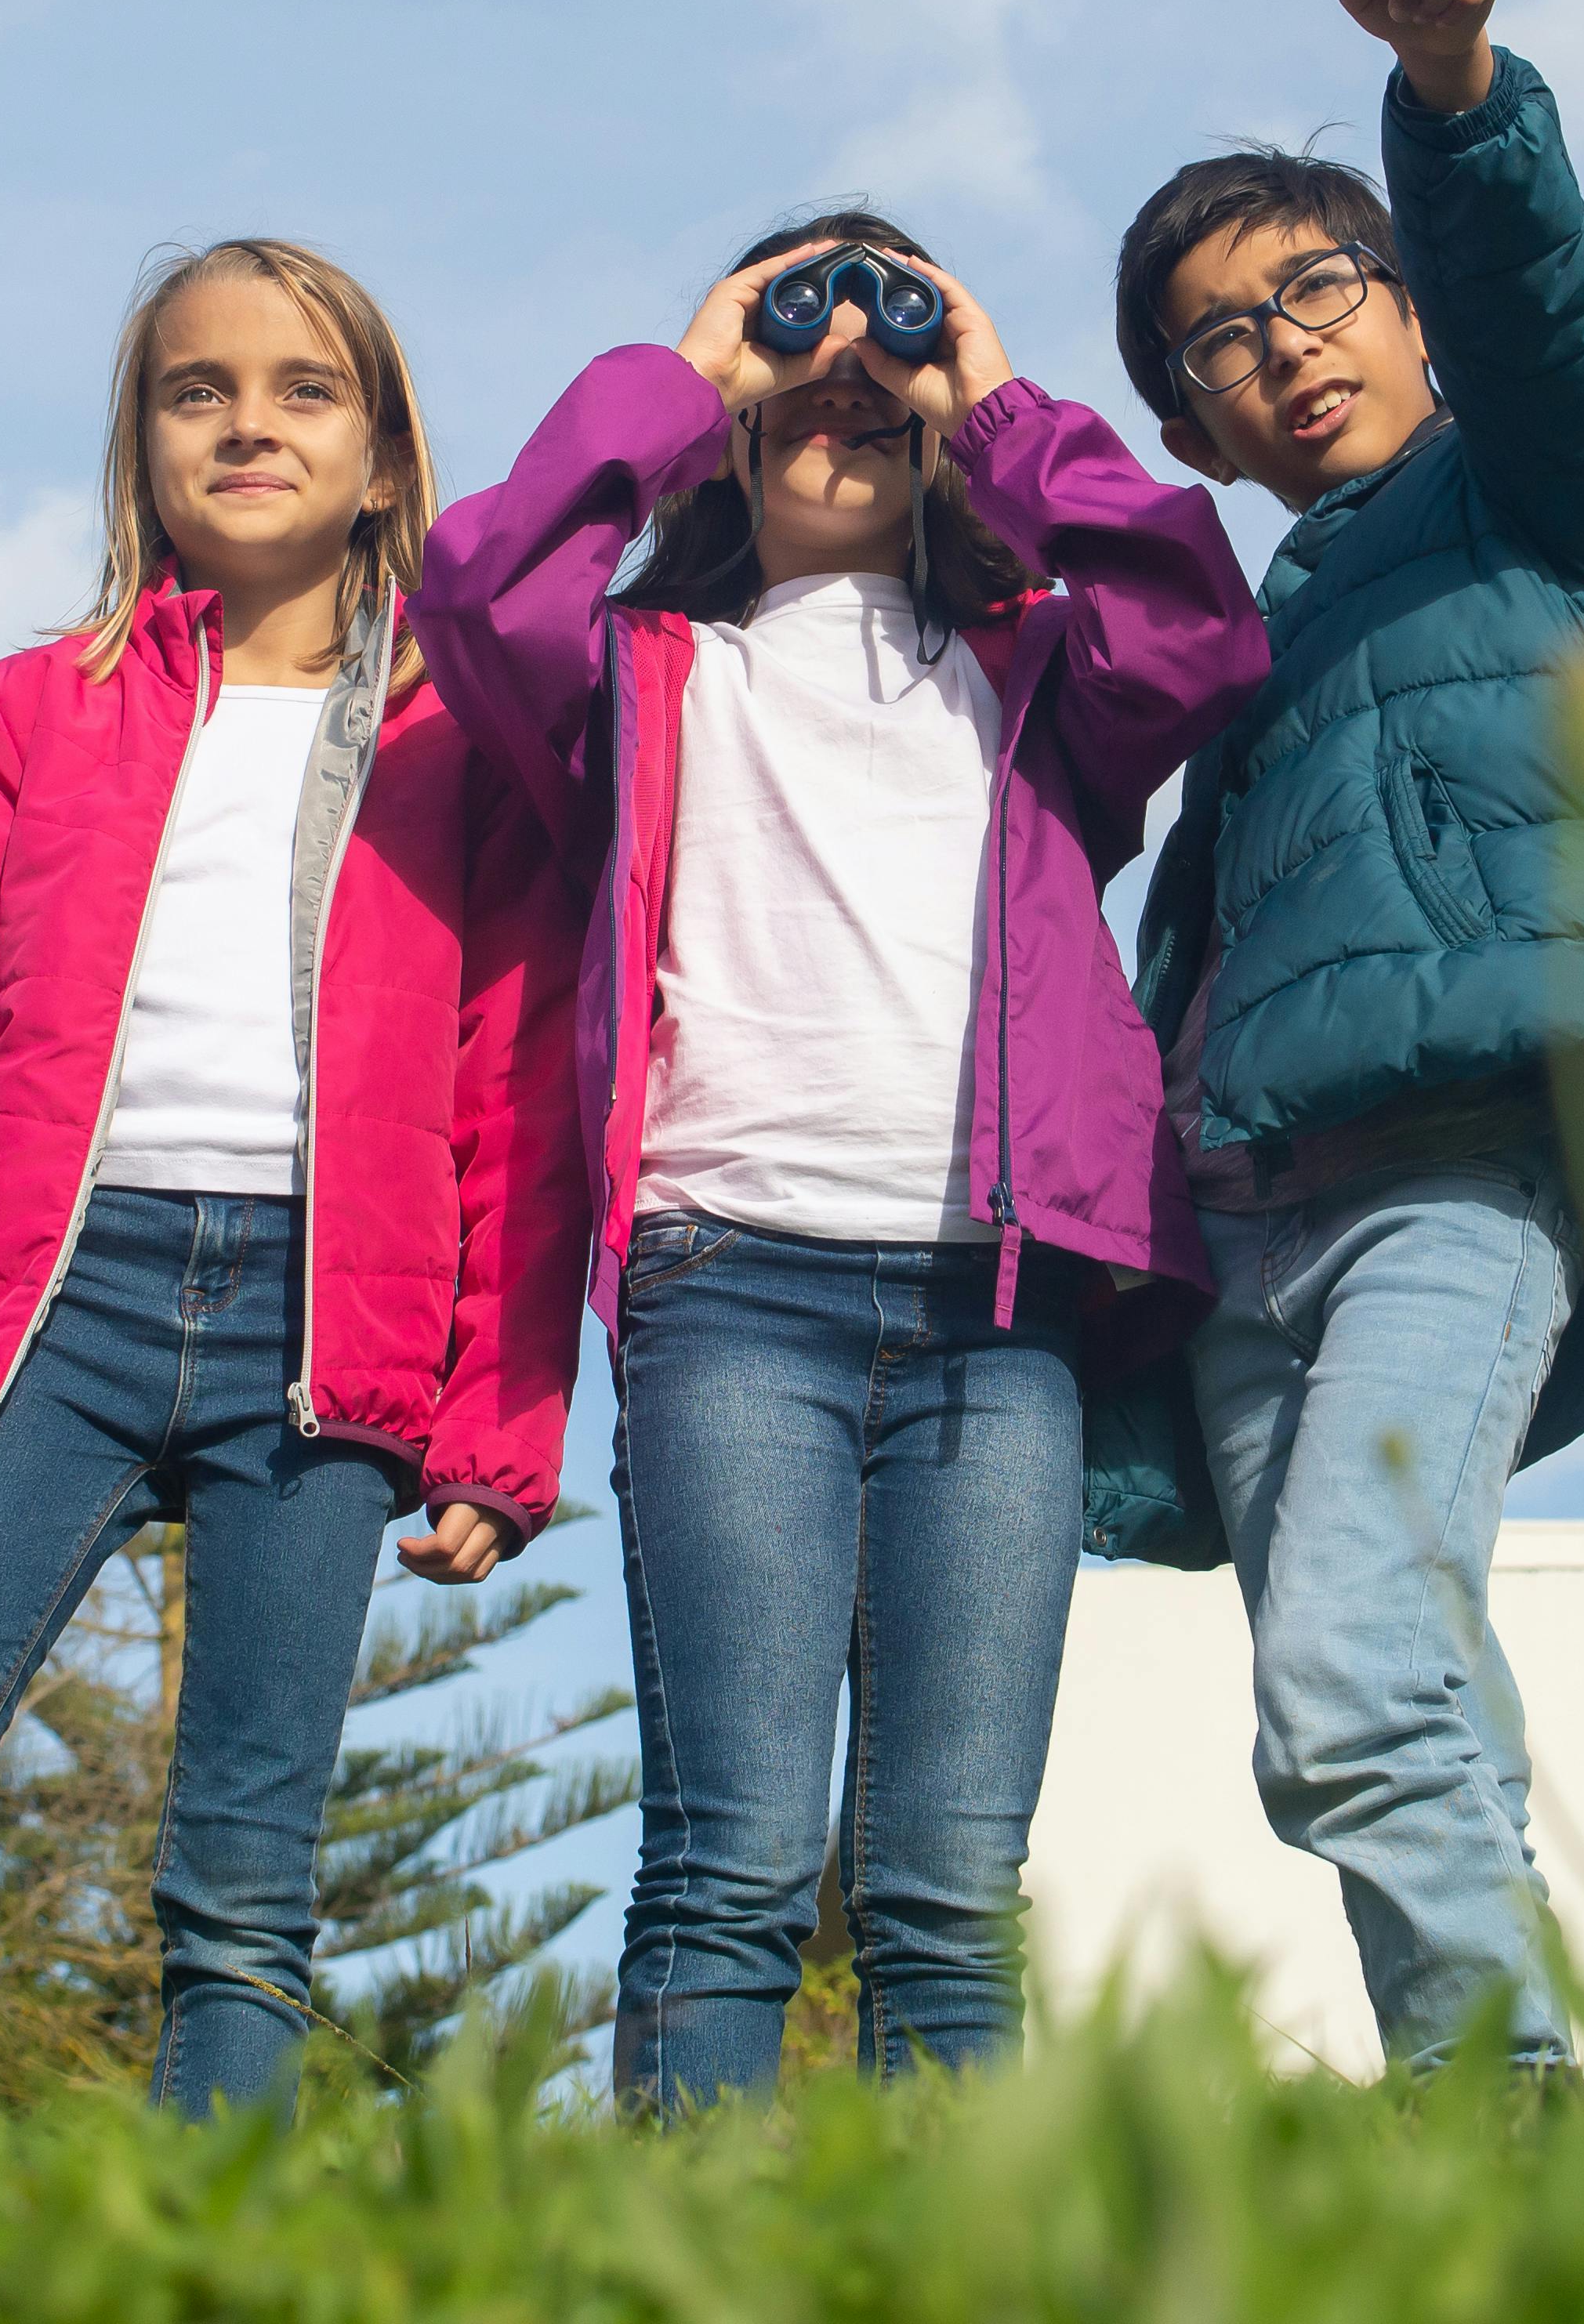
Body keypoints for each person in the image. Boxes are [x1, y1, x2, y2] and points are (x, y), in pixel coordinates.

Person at [413, 216, 1267, 2107]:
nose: (844, 373)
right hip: (732, 1290)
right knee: (723, 1861)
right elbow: (476, 595)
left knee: (951, 1891)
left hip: (997, 1311)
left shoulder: (1039, 677)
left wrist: (1001, 400)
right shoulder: (640, 675)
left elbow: (1200, 628)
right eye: (799, 329)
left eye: (891, 333)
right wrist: (682, 374)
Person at [0, 237, 585, 2121]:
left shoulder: (472, 735)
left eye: (303, 390)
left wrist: (496, 1424)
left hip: (325, 1327)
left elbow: (519, 1097)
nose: (247, 423)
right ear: (138, 449)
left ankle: (215, 2250)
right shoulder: (24, 712)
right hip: (51, 1311)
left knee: (244, 1886)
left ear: (381, 456)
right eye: (196, 390)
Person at [1103, 0, 1584, 2076]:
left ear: (1405, 303)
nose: (1284, 354)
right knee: (1392, 1703)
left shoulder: (1563, 503)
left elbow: (1559, 326)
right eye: (1223, 343)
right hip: (1246, 1237)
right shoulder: (1241, 655)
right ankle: (1525, 2132)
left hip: (1465, 1180)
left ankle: (1509, 2107)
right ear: (1194, 431)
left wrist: (1456, 94)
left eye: (1319, 293)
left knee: (1354, 1676)